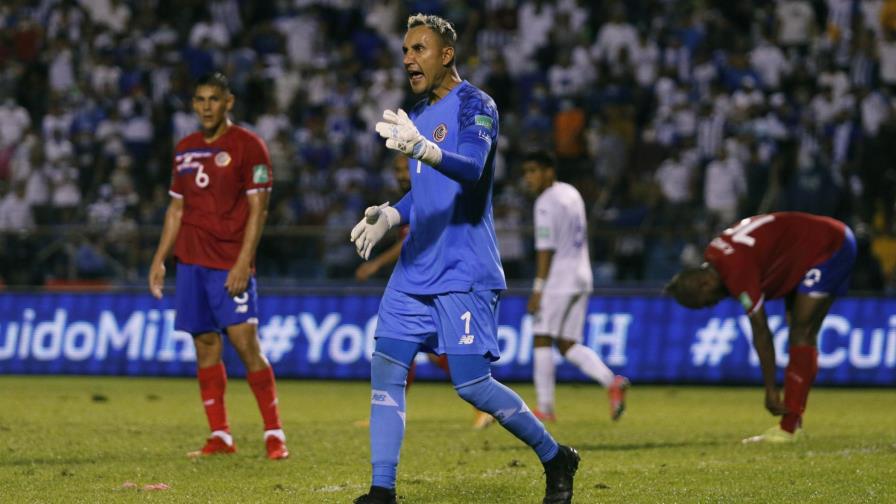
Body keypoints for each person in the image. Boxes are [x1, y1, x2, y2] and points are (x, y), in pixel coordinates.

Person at [350, 14, 578, 504]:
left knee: (472, 385)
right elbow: (426, 191)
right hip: (414, 268)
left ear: (446, 54)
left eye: (420, 49)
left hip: (463, 269)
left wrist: (424, 148)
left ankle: (555, 455)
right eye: (406, 49)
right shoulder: (416, 113)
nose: (409, 58)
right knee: (387, 369)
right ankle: (382, 489)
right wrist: (391, 214)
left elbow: (472, 170)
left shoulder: (477, 104)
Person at [147, 72, 288, 460]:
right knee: (205, 345)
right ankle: (220, 435)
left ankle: (274, 433)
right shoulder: (185, 149)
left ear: (229, 102)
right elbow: (176, 208)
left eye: (213, 99)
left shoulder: (249, 146)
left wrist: (244, 262)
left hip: (229, 262)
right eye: (199, 99)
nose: (206, 106)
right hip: (190, 262)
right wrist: (160, 259)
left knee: (246, 345)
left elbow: (259, 209)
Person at [665, 212, 856, 443]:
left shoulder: (735, 270)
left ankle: (789, 428)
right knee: (799, 331)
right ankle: (793, 424)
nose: (712, 305)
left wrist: (770, 388)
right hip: (804, 249)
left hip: (829, 245)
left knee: (801, 332)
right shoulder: (716, 255)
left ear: (704, 284)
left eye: (706, 302)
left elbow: (761, 331)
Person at [355, 154, 495, 430]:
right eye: (396, 169)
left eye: (404, 169)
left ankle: (485, 405)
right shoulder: (408, 200)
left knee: (424, 350)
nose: (401, 175)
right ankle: (388, 413)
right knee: (411, 350)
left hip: (443, 283)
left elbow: (408, 241)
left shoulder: (428, 195)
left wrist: (375, 265)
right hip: (423, 283)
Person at [522, 150, 630, 423]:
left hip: (560, 278)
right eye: (526, 172)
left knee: (542, 336)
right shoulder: (571, 193)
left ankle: (545, 407)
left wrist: (538, 288)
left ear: (549, 171)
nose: (529, 178)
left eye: (534, 171)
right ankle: (612, 382)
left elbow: (545, 249)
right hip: (582, 274)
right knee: (568, 345)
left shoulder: (545, 202)